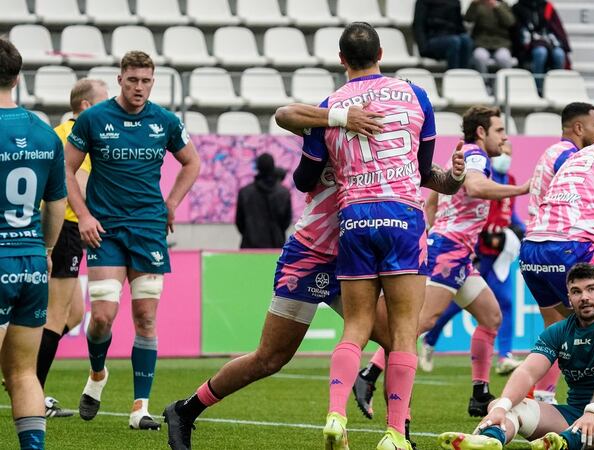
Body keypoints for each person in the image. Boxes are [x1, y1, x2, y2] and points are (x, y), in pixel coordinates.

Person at [162, 100, 465, 449]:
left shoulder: (391, 143)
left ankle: (400, 435)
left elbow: (435, 178)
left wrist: (454, 175)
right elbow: (288, 130)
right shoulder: (331, 130)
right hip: (309, 254)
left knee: (399, 341)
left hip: (355, 256)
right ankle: (186, 409)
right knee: (270, 358)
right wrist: (335, 122)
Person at [292, 22, 467, 450]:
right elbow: (427, 173)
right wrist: (455, 179)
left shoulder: (329, 106)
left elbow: (304, 177)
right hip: (403, 215)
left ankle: (335, 414)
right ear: (381, 53)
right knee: (404, 332)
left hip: (353, 217)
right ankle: (393, 434)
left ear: (341, 59)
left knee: (355, 326)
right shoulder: (414, 94)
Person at [355, 106, 530, 422]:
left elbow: (434, 201)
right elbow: (476, 187)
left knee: (491, 316)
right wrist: (522, 189)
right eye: (500, 130)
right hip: (449, 251)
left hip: (455, 252)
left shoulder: (462, 156)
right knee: (419, 323)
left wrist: (428, 236)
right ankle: (369, 373)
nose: (504, 137)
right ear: (481, 132)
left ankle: (479, 393)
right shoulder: (476, 155)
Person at [64, 50, 201, 430]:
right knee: (103, 318)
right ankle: (96, 374)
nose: (139, 88)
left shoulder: (164, 121)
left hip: (148, 229)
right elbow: (67, 168)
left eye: (145, 81)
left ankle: (140, 408)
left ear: (152, 82)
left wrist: (172, 202)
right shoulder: (93, 118)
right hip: (104, 229)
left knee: (145, 319)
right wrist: (85, 216)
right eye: (132, 80)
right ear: (120, 79)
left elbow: (193, 161)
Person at [437, 263, 594, 450]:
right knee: (502, 404)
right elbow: (527, 372)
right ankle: (489, 439)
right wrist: (502, 407)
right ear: (569, 298)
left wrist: (593, 411)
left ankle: (567, 441)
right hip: (573, 416)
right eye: (576, 291)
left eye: (591, 289)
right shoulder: (559, 330)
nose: (584, 297)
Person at [0, 38, 68, 450]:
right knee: (23, 373)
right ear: (19, 77)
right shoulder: (44, 133)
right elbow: (56, 205)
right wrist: (44, 249)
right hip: (29, 260)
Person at [520, 102, 594, 403]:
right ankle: (590, 400)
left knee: (557, 329)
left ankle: (540, 397)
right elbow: (577, 210)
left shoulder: (552, 152)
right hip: (559, 244)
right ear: (579, 128)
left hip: (535, 246)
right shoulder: (573, 158)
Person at [30, 78, 108, 420]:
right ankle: (32, 391)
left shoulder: (57, 132)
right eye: (104, 103)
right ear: (87, 107)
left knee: (75, 314)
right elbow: (78, 184)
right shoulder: (81, 138)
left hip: (56, 225)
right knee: (56, 314)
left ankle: (24, 372)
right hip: (66, 227)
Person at [418, 143, 526, 375]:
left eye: (509, 151)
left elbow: (510, 215)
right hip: (472, 250)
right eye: (502, 140)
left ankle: (502, 360)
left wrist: (521, 230)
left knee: (500, 307)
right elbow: (468, 198)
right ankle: (381, 365)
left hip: (497, 254)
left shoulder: (509, 178)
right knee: (443, 310)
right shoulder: (477, 171)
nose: (505, 153)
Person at [235, 153, 292, 249]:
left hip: (249, 246)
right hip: (276, 246)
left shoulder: (245, 192)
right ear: (273, 167)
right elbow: (286, 222)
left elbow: (239, 222)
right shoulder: (284, 193)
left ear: (257, 168)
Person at [511, 0, 571, 92]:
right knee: (540, 52)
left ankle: (556, 87)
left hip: (549, 41)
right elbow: (518, 32)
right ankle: (538, 88)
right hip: (529, 46)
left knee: (559, 54)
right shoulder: (518, 8)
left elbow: (557, 29)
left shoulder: (548, 7)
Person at [414, 0, 474, 70]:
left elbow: (459, 26)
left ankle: (464, 74)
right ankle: (452, 76)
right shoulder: (423, 1)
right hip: (432, 39)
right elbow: (418, 25)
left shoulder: (454, 2)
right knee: (454, 41)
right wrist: (423, 49)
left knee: (466, 40)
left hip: (452, 37)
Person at [465, 0, 517, 75]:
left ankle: (504, 83)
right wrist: (473, 4)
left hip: (501, 44)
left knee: (503, 58)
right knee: (480, 57)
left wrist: (497, 7)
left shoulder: (504, 5)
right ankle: (484, 83)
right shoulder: (478, 5)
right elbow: (468, 19)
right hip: (481, 43)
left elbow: (510, 22)